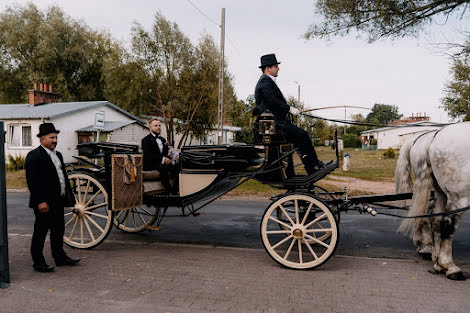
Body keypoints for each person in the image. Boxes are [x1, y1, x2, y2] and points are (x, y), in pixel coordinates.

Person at [253, 53, 330, 174]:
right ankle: (313, 166)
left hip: (274, 123)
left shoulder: (267, 82)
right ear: (268, 68)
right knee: (302, 135)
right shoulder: (265, 82)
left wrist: (290, 110)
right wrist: (289, 109)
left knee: (301, 135)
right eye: (275, 66)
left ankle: (313, 165)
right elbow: (273, 102)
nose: (278, 68)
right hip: (272, 124)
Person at [25, 123, 80, 272]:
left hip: (58, 201)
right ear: (42, 139)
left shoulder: (58, 155)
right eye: (51, 137)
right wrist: (40, 201)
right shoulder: (34, 156)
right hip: (44, 203)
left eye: (56, 137)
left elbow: (63, 177)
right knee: (40, 233)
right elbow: (32, 181)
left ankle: (60, 257)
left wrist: (69, 196)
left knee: (58, 231)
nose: (55, 140)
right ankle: (38, 263)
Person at [141, 118, 179, 193]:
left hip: (162, 163)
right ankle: (169, 191)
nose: (158, 127)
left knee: (178, 166)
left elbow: (165, 153)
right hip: (151, 164)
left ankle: (175, 189)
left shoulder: (163, 140)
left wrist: (170, 158)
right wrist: (163, 159)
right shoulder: (146, 140)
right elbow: (148, 156)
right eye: (156, 126)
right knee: (163, 167)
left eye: (159, 125)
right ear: (150, 128)